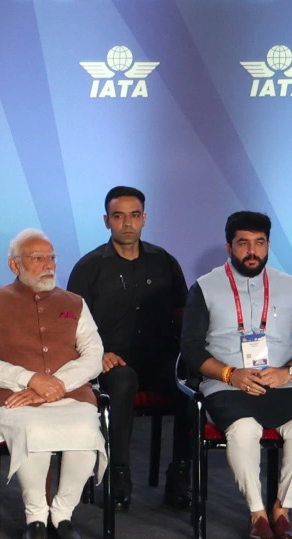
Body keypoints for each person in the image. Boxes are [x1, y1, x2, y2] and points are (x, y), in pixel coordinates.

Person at [180, 211, 292, 539]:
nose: (252, 251)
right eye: (243, 243)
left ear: (268, 246)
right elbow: (190, 349)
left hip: (280, 381)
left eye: (259, 243)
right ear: (229, 246)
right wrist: (231, 374)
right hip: (226, 383)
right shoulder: (205, 287)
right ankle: (257, 513)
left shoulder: (290, 286)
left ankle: (282, 510)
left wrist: (287, 371)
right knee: (245, 430)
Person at [0, 228, 106, 539]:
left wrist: (55, 384)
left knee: (86, 430)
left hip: (69, 394)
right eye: (37, 258)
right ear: (15, 265)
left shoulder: (75, 303)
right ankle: (36, 517)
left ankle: (62, 514)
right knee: (34, 427)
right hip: (16, 397)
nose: (48, 264)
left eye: (51, 257)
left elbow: (94, 356)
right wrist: (30, 380)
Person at [68, 185, 190, 509]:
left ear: (144, 218)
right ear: (106, 220)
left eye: (134, 215)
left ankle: (180, 477)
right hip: (110, 362)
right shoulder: (88, 268)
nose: (127, 223)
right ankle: (118, 475)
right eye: (119, 216)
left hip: (159, 359)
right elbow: (70, 326)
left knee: (190, 382)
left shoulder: (165, 263)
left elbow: (184, 318)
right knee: (122, 380)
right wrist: (97, 354)